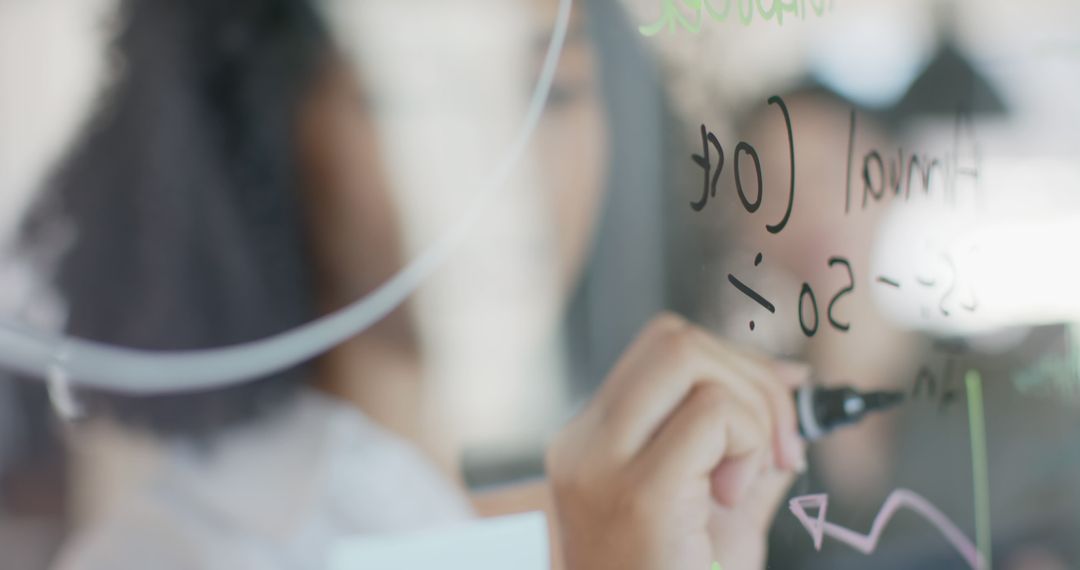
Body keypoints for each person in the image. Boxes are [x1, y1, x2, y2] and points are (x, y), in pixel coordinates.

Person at [17, 0, 806, 568]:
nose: (507, 176)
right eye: (416, 99)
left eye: (554, 90)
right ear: (261, 129)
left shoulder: (651, 502)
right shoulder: (175, 554)